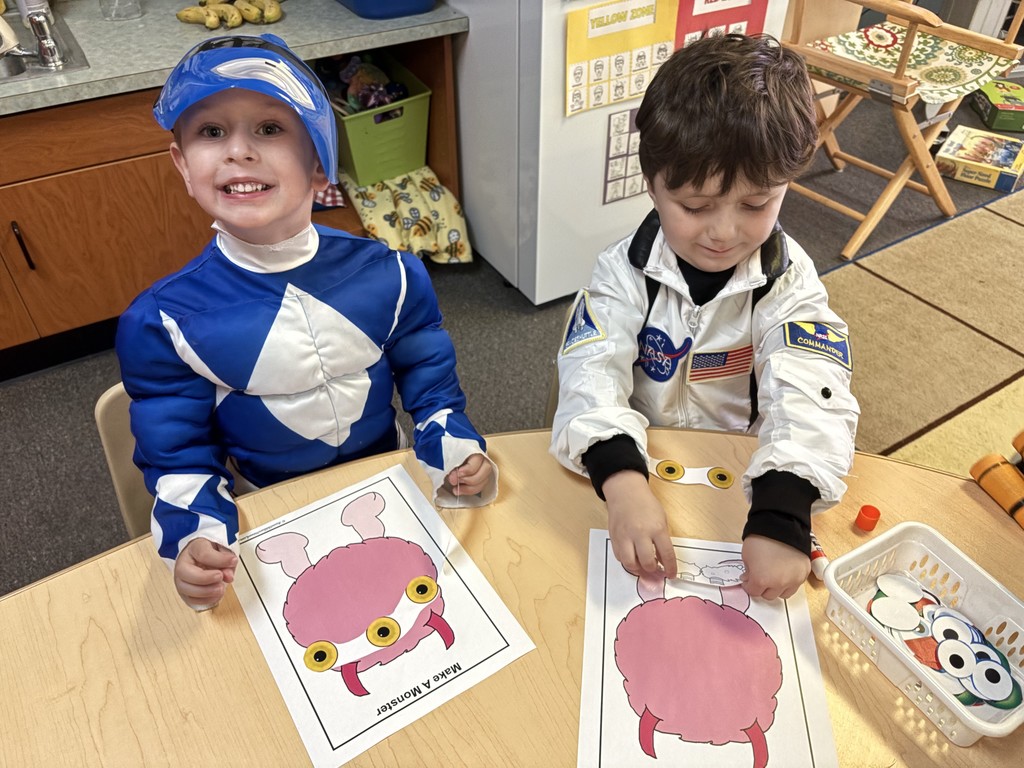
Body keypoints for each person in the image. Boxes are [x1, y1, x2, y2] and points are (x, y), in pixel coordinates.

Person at [117, 34, 496, 610]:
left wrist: (454, 448)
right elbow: (178, 451)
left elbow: (430, 381)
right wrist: (195, 538)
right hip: (265, 513)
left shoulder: (391, 274)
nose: (238, 151)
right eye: (210, 132)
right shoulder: (164, 322)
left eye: (269, 128)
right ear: (183, 166)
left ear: (320, 164)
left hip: (390, 487)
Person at [550, 33, 859, 601]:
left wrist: (784, 509)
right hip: (640, 464)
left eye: (756, 204)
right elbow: (590, 374)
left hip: (747, 475)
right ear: (652, 185)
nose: (723, 232)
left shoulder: (789, 283)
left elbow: (812, 390)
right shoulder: (622, 273)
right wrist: (621, 478)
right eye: (695, 207)